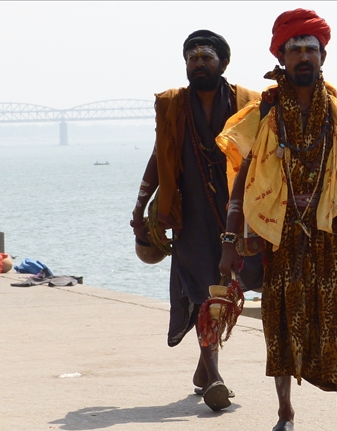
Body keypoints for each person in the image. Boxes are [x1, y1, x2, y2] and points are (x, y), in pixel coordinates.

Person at [217, 9, 337, 431]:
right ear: (282, 57)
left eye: (311, 49)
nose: (304, 56)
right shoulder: (265, 111)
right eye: (296, 49)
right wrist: (230, 239)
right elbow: (243, 177)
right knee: (282, 324)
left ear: (323, 55)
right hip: (282, 235)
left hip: (333, 232)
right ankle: (285, 415)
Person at [129, 30, 259, 411]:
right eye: (192, 58)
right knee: (204, 293)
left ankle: (204, 371)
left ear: (223, 63)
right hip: (190, 216)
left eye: (206, 57)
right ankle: (214, 376)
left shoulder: (248, 103)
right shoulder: (174, 106)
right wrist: (141, 206)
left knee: (231, 286)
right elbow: (159, 158)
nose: (198, 64)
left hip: (238, 213)